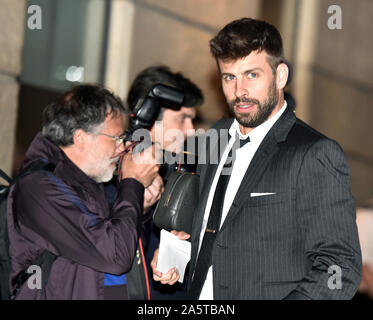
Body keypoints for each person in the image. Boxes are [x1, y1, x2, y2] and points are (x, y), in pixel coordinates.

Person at [151, 17, 362, 299]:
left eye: (252, 75)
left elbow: (340, 266)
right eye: (229, 77)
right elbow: (217, 235)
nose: (239, 91)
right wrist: (176, 256)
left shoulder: (314, 152)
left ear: (281, 76)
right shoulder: (217, 136)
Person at [7, 84, 161, 299]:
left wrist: (141, 207)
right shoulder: (38, 188)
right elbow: (116, 256)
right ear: (81, 137)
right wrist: (132, 181)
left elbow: (125, 260)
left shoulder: (89, 182)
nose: (122, 148)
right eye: (116, 138)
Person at [126, 65, 204, 299]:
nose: (191, 131)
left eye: (193, 120)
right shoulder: (111, 180)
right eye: (182, 119)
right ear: (148, 120)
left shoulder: (186, 174)